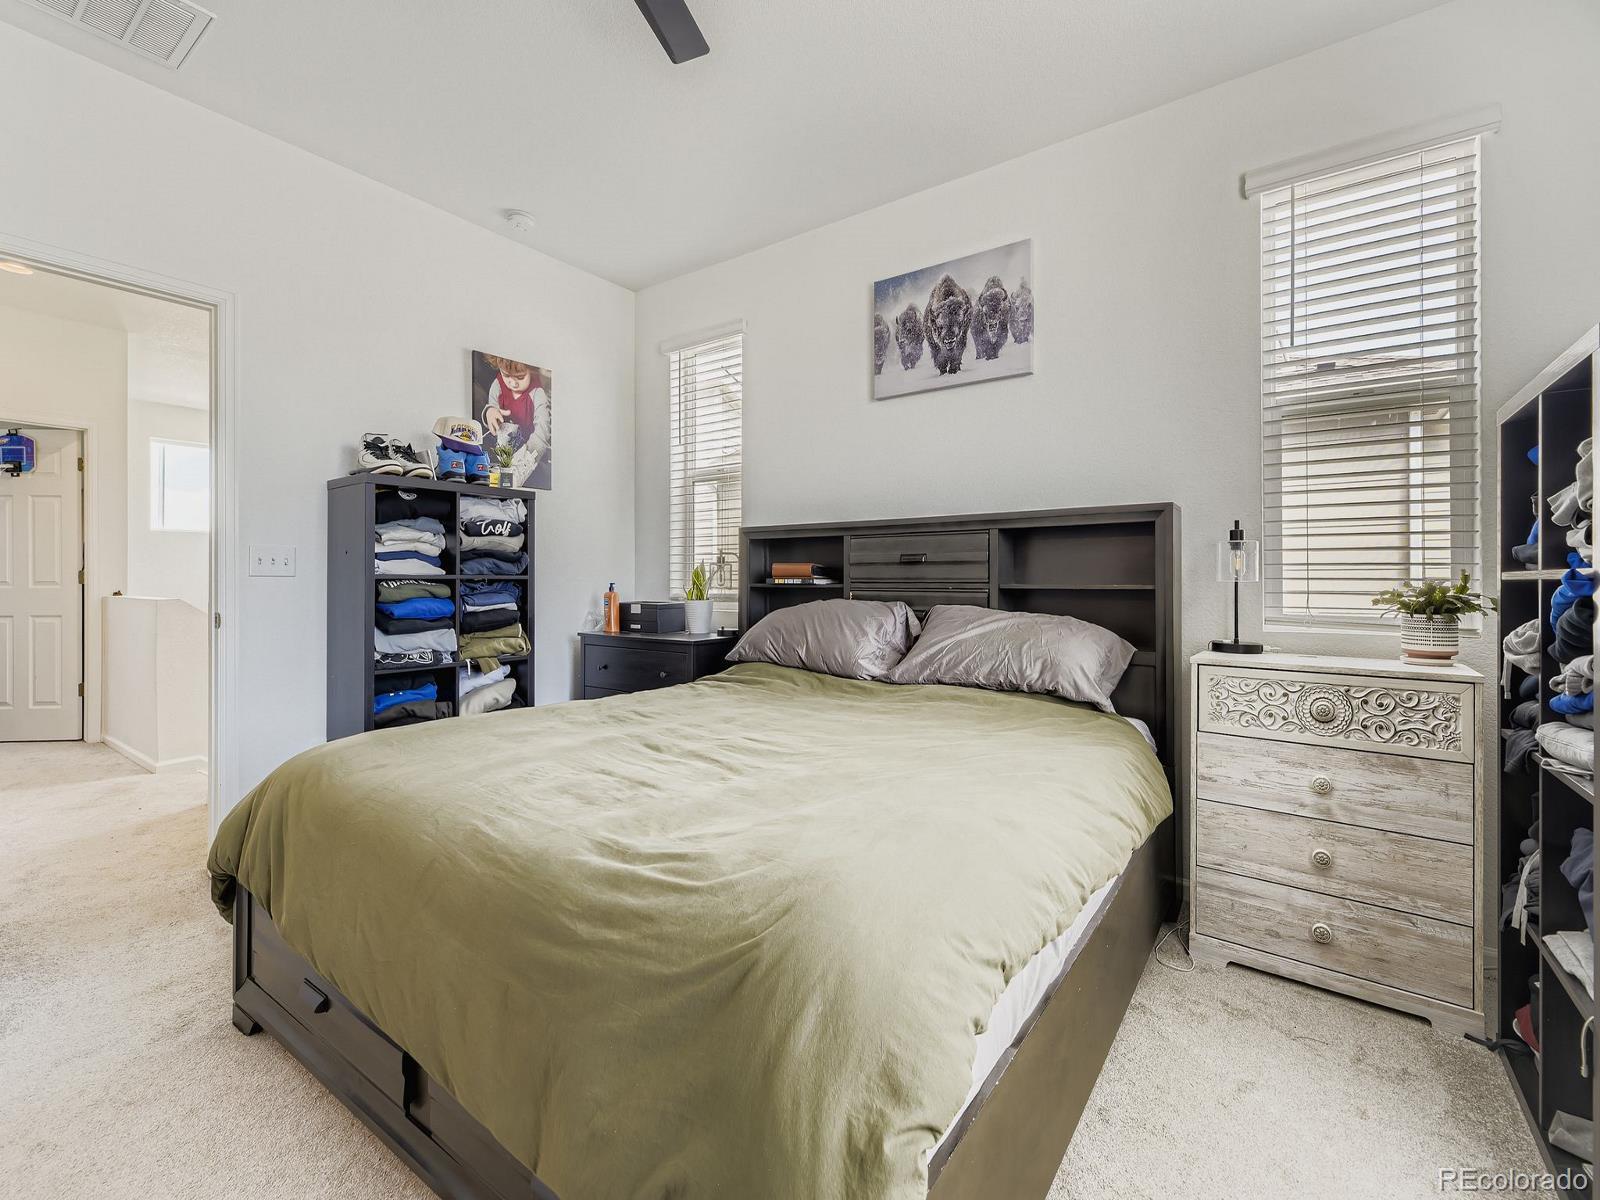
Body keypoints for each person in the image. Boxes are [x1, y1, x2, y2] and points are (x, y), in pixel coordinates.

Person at [479, 354, 551, 489]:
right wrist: (489, 412)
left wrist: (528, 458)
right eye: (506, 376)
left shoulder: (537, 393)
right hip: (504, 451)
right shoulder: (497, 386)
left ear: (531, 370)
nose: (513, 383)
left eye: (520, 377)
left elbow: (542, 432)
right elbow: (492, 409)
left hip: (529, 453)